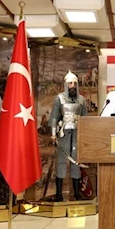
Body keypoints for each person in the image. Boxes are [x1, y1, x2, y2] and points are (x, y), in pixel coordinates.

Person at [49, 71, 87, 202]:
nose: (73, 86)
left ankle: (77, 193)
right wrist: (53, 134)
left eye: (75, 83)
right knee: (61, 162)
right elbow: (54, 117)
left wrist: (85, 135)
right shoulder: (59, 98)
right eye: (70, 83)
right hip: (63, 133)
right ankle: (59, 194)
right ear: (66, 84)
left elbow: (85, 119)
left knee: (76, 162)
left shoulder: (81, 100)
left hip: (77, 133)